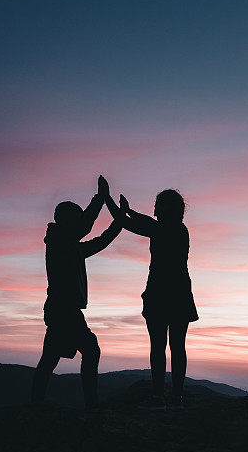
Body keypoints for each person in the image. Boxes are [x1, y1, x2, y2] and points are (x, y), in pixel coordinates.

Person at [31, 175, 121, 409]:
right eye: (76, 218)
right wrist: (100, 198)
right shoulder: (59, 240)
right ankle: (90, 404)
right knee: (90, 350)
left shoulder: (66, 245)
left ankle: (36, 403)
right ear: (65, 220)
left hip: (61, 308)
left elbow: (98, 242)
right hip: (63, 309)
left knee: (51, 357)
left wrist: (118, 223)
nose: (79, 222)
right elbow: (86, 228)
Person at [106, 189, 198, 409]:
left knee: (159, 346)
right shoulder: (179, 229)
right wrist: (130, 211)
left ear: (164, 208)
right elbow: (145, 222)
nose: (154, 209)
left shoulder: (162, 229)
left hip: (160, 293)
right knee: (177, 346)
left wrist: (106, 199)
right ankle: (176, 396)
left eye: (157, 205)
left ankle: (159, 396)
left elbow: (126, 223)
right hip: (179, 293)